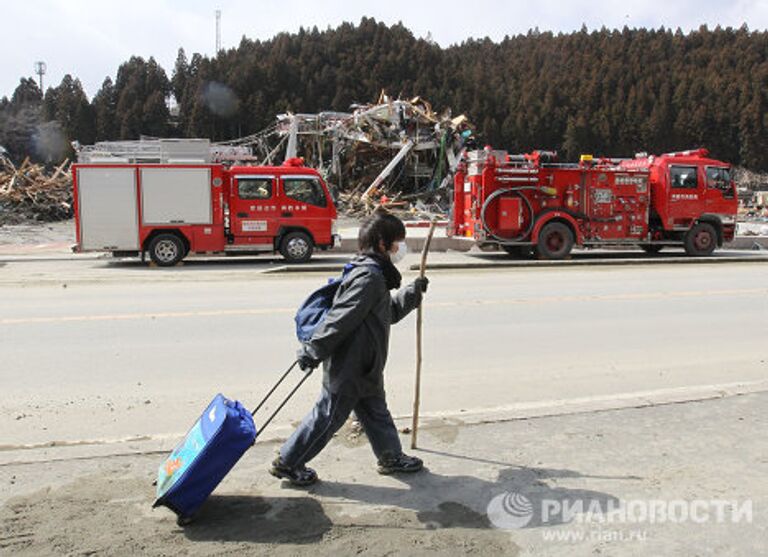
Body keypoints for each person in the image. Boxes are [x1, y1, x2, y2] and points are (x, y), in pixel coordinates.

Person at [270, 209, 429, 486]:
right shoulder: (369, 277)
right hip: (351, 366)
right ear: (382, 243)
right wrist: (313, 350)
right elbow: (339, 318)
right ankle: (288, 461)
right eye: (397, 242)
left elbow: (385, 313)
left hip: (364, 365)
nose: (400, 248)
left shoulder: (371, 272)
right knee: (328, 416)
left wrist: (412, 293)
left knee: (375, 410)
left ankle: (390, 457)